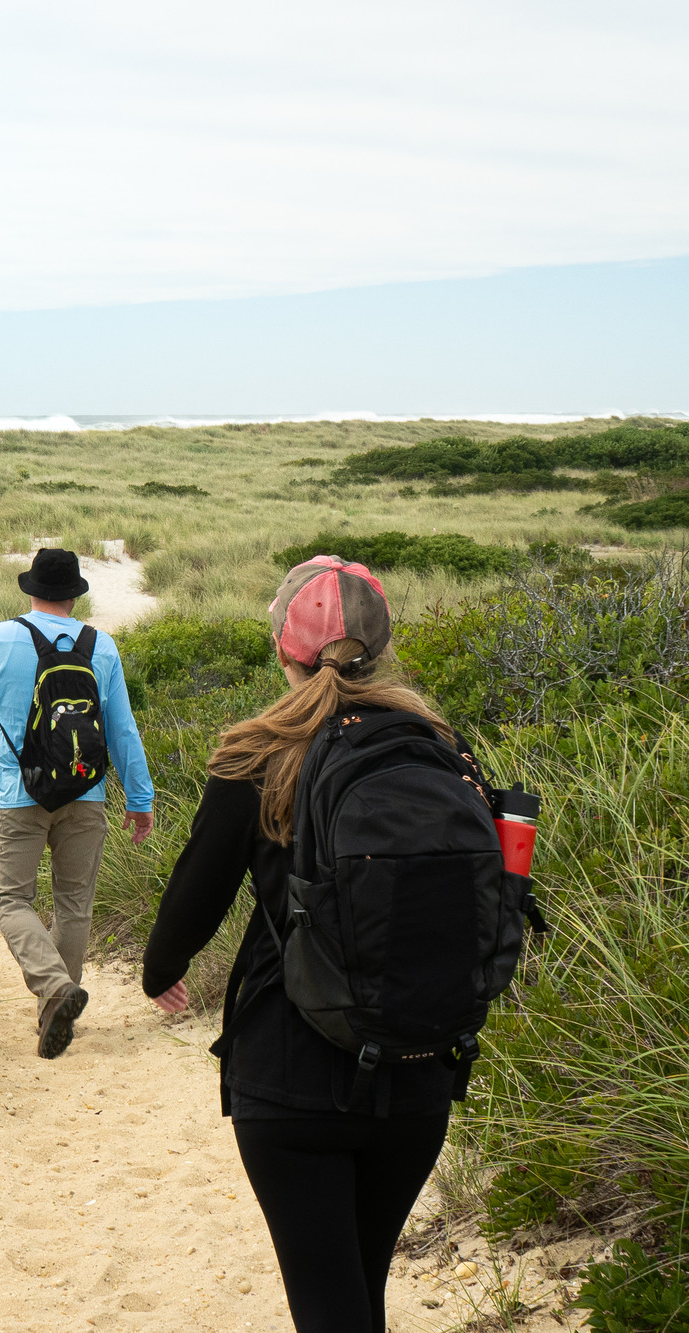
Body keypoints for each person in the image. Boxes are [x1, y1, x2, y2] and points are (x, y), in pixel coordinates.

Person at [140, 555, 470, 1333]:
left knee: (328, 1303)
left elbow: (196, 896)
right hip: (418, 1064)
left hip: (290, 1072)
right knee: (362, 1284)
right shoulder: (439, 748)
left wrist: (162, 967)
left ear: (282, 649)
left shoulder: (256, 753)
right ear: (382, 648)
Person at [0, 547, 155, 1059]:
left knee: (9, 900)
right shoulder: (101, 646)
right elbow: (122, 732)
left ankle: (55, 991)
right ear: (74, 594)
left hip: (17, 796)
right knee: (73, 905)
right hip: (87, 795)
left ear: (32, 589)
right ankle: (55, 1009)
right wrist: (140, 797)